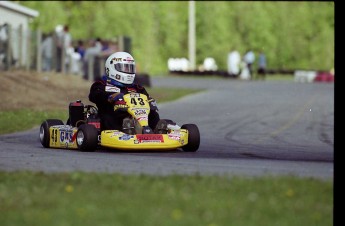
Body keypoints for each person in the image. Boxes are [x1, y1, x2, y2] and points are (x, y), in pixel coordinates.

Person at [88, 51, 161, 133]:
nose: (128, 71)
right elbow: (94, 95)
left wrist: (150, 102)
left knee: (153, 114)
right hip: (113, 117)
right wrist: (111, 97)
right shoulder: (101, 85)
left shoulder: (138, 88)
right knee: (109, 117)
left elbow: (146, 99)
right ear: (112, 68)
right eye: (125, 68)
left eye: (130, 68)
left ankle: (158, 130)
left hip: (137, 117)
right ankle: (127, 130)